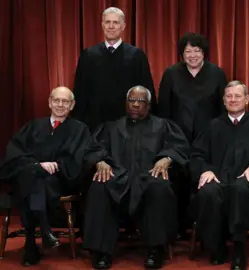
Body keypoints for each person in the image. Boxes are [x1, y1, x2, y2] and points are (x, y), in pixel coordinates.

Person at [82, 86, 190, 269]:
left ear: (148, 105)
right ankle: (101, 252)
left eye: (140, 101)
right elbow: (93, 148)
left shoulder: (163, 126)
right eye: (131, 100)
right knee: (100, 186)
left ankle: (156, 249)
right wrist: (99, 161)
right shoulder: (111, 127)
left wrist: (167, 158)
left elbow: (180, 148)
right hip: (117, 177)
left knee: (160, 187)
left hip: (148, 176)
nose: (135, 104)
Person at [189, 81, 249, 270]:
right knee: (208, 193)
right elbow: (197, 154)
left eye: (238, 96)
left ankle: (239, 248)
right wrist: (206, 170)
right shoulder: (213, 125)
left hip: (247, 184)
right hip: (219, 179)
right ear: (223, 100)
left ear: (246, 100)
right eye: (229, 96)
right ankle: (217, 247)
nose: (233, 100)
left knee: (240, 190)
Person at [0, 87, 92, 266]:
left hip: (59, 180)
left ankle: (31, 243)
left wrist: (56, 165)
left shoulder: (79, 130)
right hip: (32, 175)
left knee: (36, 180)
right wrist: (37, 165)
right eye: (56, 100)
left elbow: (78, 159)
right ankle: (44, 230)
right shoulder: (33, 126)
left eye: (65, 101)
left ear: (72, 105)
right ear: (49, 102)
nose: (60, 105)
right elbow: (15, 152)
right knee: (34, 177)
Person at [157, 32, 228, 239]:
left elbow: (223, 109)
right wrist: (169, 137)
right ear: (181, 54)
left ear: (204, 53)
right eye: (188, 51)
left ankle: (208, 229)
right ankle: (177, 228)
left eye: (197, 51)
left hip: (209, 138)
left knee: (206, 180)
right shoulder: (171, 74)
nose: (193, 55)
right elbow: (164, 110)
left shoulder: (217, 73)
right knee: (176, 181)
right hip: (177, 137)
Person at [72, 7, 157, 131]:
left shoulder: (136, 55)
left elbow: (147, 90)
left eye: (115, 22)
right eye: (107, 22)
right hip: (94, 122)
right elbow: (80, 91)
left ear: (123, 26)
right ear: (102, 25)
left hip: (127, 124)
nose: (111, 26)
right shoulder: (88, 55)